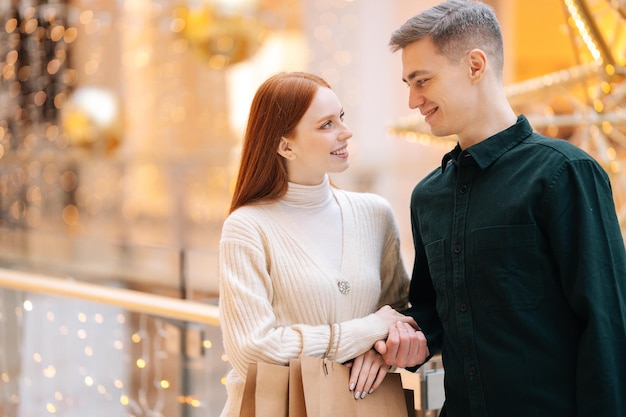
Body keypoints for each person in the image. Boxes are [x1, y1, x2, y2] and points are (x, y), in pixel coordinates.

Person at [375, 1, 626, 416]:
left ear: (476, 65)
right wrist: (393, 333)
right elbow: (434, 314)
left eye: (422, 80)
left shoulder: (566, 174)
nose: (412, 101)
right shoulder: (428, 197)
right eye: (408, 83)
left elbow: (607, 328)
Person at [218, 71, 424, 417]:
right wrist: (367, 330)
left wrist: (377, 350)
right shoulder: (247, 228)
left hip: (363, 405)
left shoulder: (375, 214)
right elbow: (253, 351)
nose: (346, 132)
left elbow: (402, 314)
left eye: (341, 117)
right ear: (286, 145)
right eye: (326, 124)